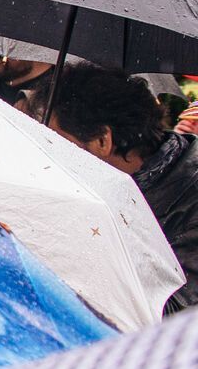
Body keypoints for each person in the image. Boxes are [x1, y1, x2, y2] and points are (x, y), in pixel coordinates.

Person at [47, 66, 198, 314]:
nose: (53, 153)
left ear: (102, 141)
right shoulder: (114, 182)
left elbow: (165, 314)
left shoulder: (189, 200)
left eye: (59, 141)